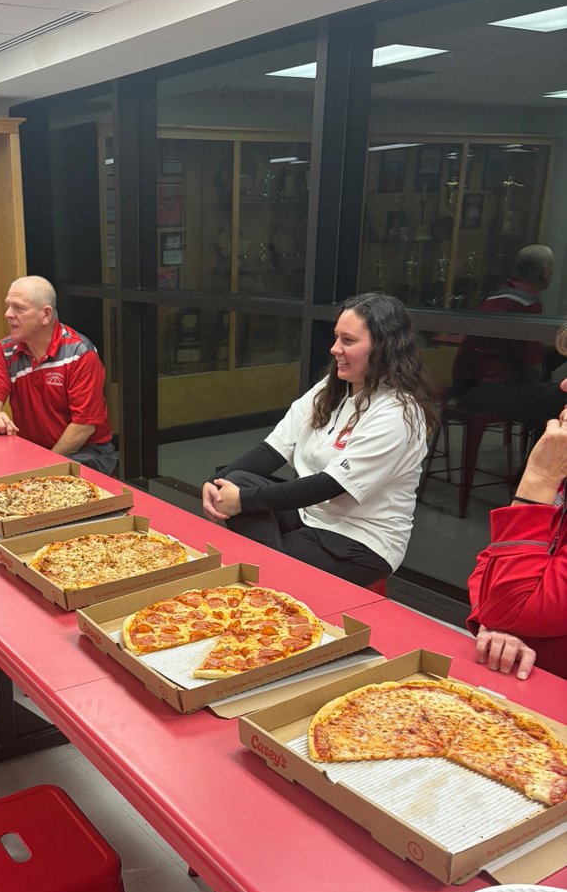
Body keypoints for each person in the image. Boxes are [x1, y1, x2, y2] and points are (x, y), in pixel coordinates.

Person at [202, 293, 437, 587]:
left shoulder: (398, 413)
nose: (335, 349)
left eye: (348, 341)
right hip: (309, 516)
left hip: (360, 541)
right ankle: (269, 577)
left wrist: (243, 502)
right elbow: (272, 449)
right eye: (336, 337)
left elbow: (328, 485)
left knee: (248, 522)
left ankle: (266, 584)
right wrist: (215, 484)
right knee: (238, 479)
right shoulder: (333, 387)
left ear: (384, 348)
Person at [467, 325, 567, 681]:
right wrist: (496, 621)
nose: (565, 385)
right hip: (519, 660)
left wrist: (538, 478)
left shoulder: (552, 468)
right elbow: (490, 559)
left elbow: (510, 597)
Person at [0, 276, 117, 474]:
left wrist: (43, 468)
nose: (8, 314)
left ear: (46, 315)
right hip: (33, 450)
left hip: (85, 451)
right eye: (8, 306)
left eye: (19, 308)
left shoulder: (80, 354)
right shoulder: (4, 350)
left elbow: (83, 427)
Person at [451, 244, 566, 433]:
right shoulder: (525, 304)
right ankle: (539, 458)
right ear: (545, 272)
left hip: (465, 385)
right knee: (560, 395)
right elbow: (531, 369)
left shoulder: (499, 294)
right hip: (486, 392)